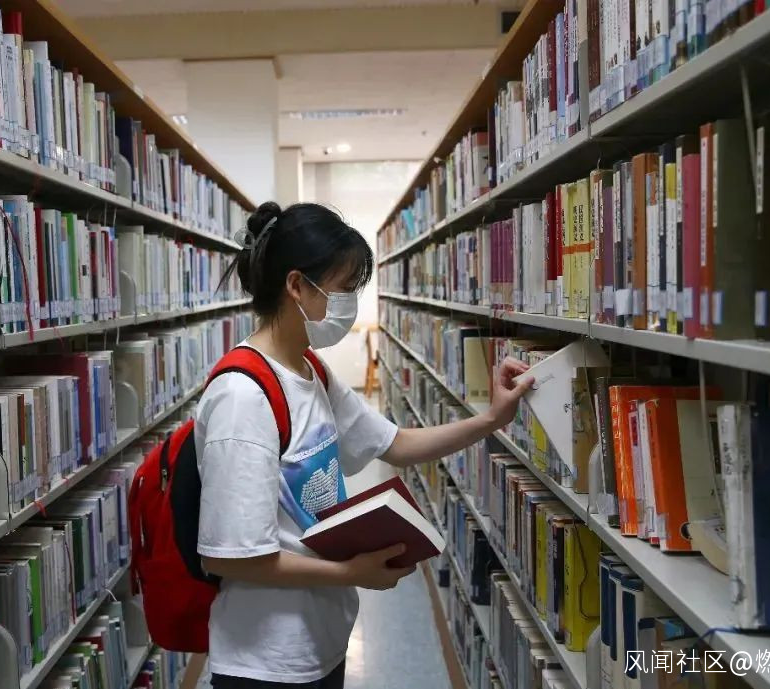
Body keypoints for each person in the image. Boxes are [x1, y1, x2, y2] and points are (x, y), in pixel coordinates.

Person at [195, 201, 533, 689]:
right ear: (296, 285)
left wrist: (492, 419)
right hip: (266, 662)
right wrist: (351, 572)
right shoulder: (242, 397)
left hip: (321, 641)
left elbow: (397, 444)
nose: (349, 304)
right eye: (343, 289)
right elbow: (230, 556)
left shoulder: (310, 370)